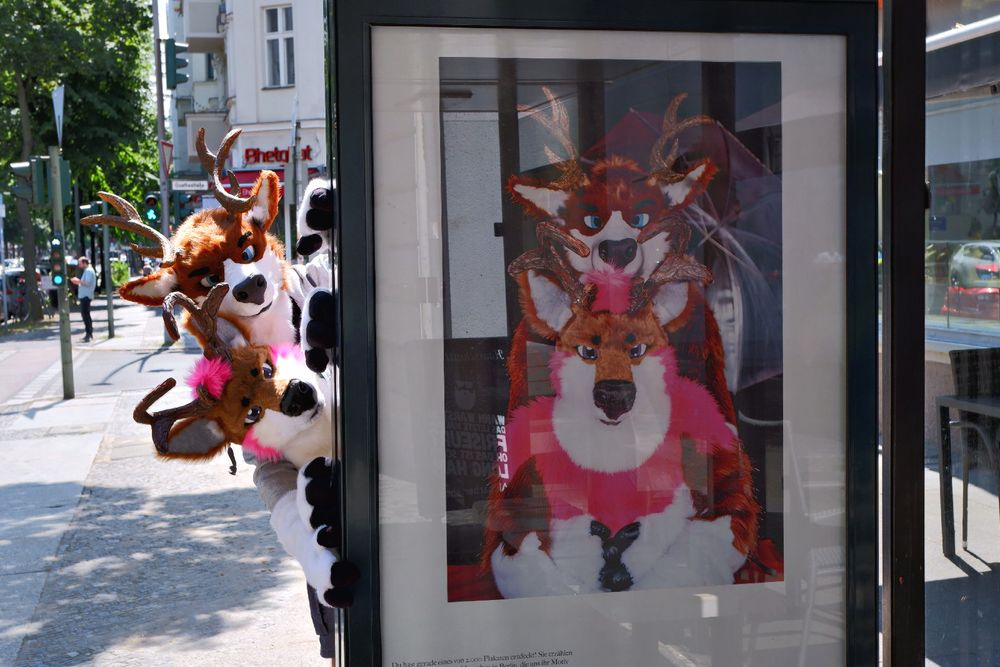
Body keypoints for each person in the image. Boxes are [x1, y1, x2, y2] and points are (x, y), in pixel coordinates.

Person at [70, 256, 96, 342]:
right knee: (86, 315)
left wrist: (77, 281)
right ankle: (89, 333)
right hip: (85, 295)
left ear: (85, 263)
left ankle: (89, 333)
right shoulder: (87, 270)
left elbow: (87, 283)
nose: (79, 265)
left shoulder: (88, 271)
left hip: (86, 296)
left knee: (85, 315)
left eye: (80, 263)